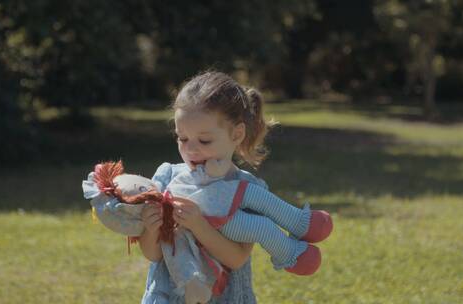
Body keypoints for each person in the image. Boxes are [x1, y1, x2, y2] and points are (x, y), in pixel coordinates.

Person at [137, 71, 332, 304]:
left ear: (236, 134)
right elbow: (153, 254)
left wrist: (199, 225)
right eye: (182, 138)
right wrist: (150, 229)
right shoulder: (167, 178)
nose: (191, 150)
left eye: (205, 141)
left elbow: (237, 258)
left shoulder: (247, 188)